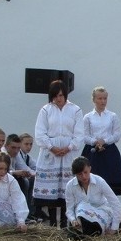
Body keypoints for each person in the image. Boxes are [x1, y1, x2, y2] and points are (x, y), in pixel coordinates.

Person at [33, 79, 84, 228]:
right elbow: (40, 132)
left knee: (65, 189)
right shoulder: (46, 110)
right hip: (51, 153)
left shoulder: (75, 110)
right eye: (55, 96)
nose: (58, 99)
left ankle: (64, 222)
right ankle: (52, 223)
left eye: (61, 95)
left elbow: (79, 134)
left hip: (68, 153)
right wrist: (51, 147)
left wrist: (69, 147)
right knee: (52, 189)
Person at [82, 86, 121, 195]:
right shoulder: (88, 117)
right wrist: (95, 142)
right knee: (92, 178)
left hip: (109, 150)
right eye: (100, 98)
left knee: (110, 179)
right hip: (92, 151)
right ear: (94, 100)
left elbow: (117, 134)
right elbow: (84, 136)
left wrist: (104, 141)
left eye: (105, 98)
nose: (103, 101)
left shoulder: (112, 116)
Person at [65, 156, 121, 237]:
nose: (83, 176)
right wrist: (73, 220)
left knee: (83, 208)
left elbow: (116, 204)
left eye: (85, 172)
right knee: (81, 207)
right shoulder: (70, 185)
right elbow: (69, 209)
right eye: (79, 174)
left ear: (90, 169)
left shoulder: (99, 181)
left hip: (102, 213)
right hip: (81, 219)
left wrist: (114, 228)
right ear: (75, 174)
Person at [2, 133, 35, 202]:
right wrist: (16, 172)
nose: (16, 151)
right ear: (6, 146)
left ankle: (29, 209)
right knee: (25, 181)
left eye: (18, 148)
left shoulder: (18, 154)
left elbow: (24, 167)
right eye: (13, 147)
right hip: (2, 179)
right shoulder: (3, 154)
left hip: (11, 177)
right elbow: (4, 171)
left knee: (31, 179)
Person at [18, 132, 43, 220]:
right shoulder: (18, 154)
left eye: (31, 144)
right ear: (20, 144)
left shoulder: (27, 156)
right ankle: (27, 211)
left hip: (24, 177)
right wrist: (37, 174)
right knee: (29, 182)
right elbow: (23, 167)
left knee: (35, 181)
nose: (29, 147)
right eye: (26, 144)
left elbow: (37, 166)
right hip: (17, 178)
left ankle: (34, 211)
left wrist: (41, 173)